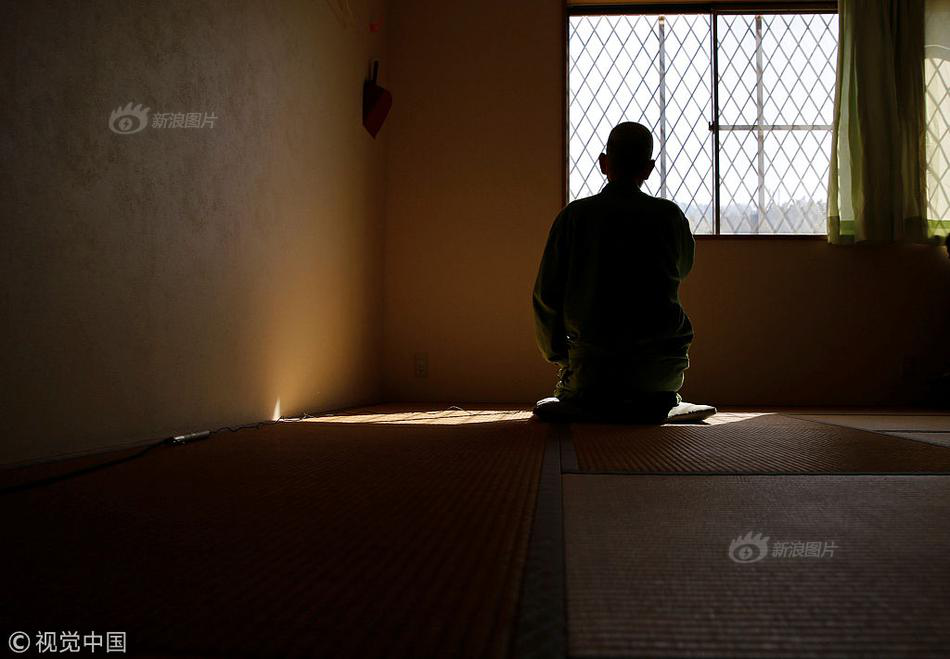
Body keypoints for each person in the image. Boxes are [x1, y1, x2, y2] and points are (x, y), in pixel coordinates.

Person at [532, 122, 695, 423]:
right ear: (648, 169)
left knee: (561, 400)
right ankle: (657, 404)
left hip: (591, 376)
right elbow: (683, 269)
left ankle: (587, 401)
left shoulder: (574, 217)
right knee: (653, 393)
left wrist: (561, 357)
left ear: (604, 163)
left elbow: (545, 298)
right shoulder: (670, 217)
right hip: (660, 376)